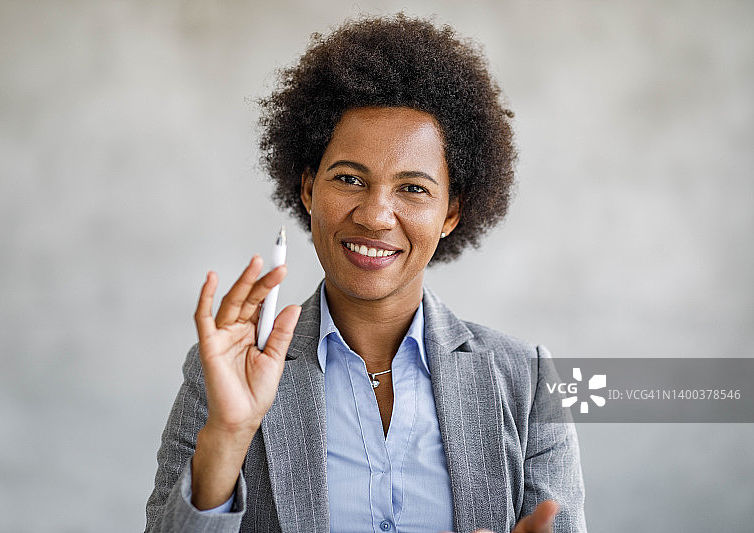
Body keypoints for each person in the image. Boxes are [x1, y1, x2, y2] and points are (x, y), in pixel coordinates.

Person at [145, 13, 586, 533]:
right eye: (350, 178)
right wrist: (228, 433)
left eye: (413, 188)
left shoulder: (526, 381)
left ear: (451, 213)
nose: (376, 215)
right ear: (309, 189)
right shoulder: (226, 372)